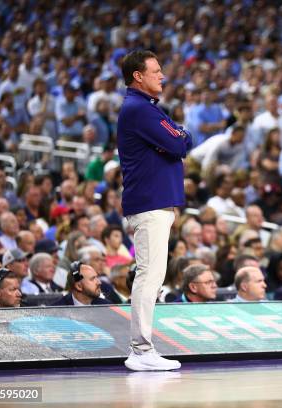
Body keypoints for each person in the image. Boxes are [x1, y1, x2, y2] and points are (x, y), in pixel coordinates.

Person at [118, 50, 191, 371]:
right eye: (156, 71)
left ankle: (143, 349)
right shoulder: (139, 109)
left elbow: (180, 140)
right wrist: (177, 135)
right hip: (149, 202)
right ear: (138, 76)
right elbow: (180, 143)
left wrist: (177, 135)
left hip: (154, 202)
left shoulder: (145, 109)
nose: (162, 76)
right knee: (149, 276)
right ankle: (140, 350)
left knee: (153, 275)